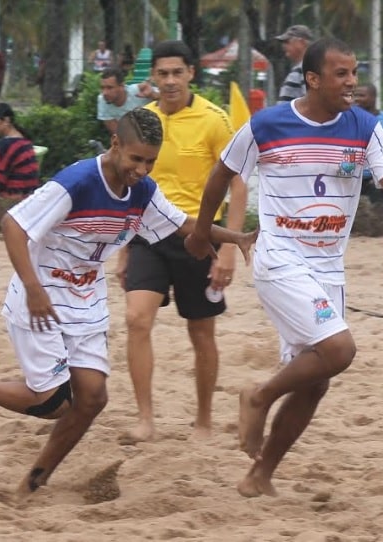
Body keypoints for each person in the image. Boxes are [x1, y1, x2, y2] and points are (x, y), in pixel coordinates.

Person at [0, 108, 257, 496]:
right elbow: (13, 225)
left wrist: (234, 237)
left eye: (151, 161)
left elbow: (182, 224)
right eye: (136, 159)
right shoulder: (78, 181)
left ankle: (34, 481)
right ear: (115, 145)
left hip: (86, 301)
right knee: (53, 402)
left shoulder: (142, 191)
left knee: (92, 398)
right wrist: (33, 287)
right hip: (41, 297)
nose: (142, 169)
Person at [184, 37, 383, 498]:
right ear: (314, 79)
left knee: (316, 383)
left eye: (354, 72)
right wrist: (202, 232)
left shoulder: (364, 126)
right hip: (279, 257)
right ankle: (258, 394)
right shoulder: (268, 124)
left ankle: (260, 474)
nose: (352, 82)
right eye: (341, 74)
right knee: (339, 350)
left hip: (328, 268)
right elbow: (221, 174)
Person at [116, 40, 248, 443]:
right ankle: (145, 419)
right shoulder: (141, 119)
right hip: (147, 236)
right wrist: (122, 247)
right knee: (136, 319)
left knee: (201, 332)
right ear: (152, 78)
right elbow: (128, 184)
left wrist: (228, 248)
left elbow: (238, 183)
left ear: (191, 73)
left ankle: (204, 423)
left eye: (177, 72)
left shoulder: (214, 119)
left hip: (199, 237)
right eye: (162, 73)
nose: (170, 81)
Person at [97, 67, 158, 135]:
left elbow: (167, 99)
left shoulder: (139, 90)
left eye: (110, 88)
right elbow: (117, 134)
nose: (105, 93)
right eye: (102, 88)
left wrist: (154, 95)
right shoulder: (102, 100)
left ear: (122, 86)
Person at [275, 24, 313, 102]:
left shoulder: (308, 67)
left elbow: (312, 103)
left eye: (287, 42)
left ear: (301, 42)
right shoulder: (302, 67)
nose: (283, 46)